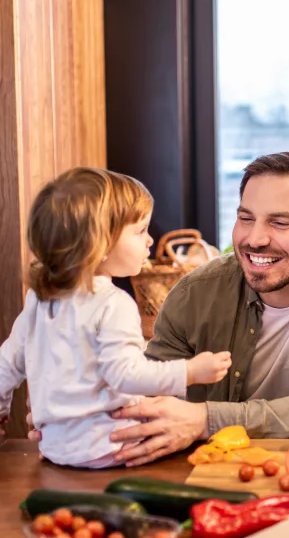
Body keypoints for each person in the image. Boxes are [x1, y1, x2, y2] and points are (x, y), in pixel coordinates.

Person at [99, 152, 289, 466]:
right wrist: (73, 423)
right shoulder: (195, 291)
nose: (255, 239)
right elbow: (144, 396)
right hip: (212, 469)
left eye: (279, 223)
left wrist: (205, 419)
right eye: (246, 218)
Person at [0, 167, 231, 468]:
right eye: (140, 231)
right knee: (196, 440)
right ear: (100, 244)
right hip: (109, 447)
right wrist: (190, 372)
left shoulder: (40, 300)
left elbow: (7, 363)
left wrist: (2, 409)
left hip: (56, 447)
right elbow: (126, 375)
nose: (150, 241)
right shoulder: (114, 304)